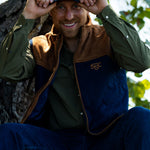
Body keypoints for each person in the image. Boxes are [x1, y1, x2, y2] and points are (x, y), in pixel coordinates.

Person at [0, 0, 150, 149]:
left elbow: (141, 62)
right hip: (59, 141)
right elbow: (7, 70)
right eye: (60, 7)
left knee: (141, 117)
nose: (69, 16)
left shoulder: (107, 38)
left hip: (108, 138)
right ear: (50, 11)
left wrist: (104, 10)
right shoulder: (40, 47)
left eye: (76, 6)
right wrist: (28, 14)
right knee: (8, 134)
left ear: (87, 8)